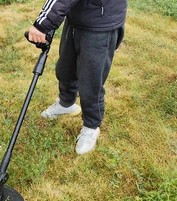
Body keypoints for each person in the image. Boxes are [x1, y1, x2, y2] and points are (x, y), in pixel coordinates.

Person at [28, 0, 128, 155]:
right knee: (65, 69)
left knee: (91, 81)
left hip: (100, 22)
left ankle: (91, 126)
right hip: (78, 16)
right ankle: (66, 104)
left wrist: (43, 23)